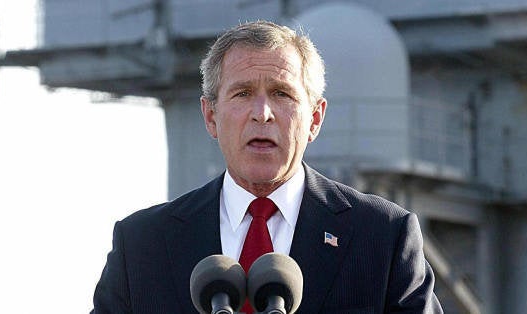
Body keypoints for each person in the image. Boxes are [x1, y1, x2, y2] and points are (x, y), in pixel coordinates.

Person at [91, 20, 443, 313]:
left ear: (315, 119)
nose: (262, 113)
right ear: (211, 116)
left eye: (282, 94)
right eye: (242, 93)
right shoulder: (141, 245)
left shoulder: (382, 237)